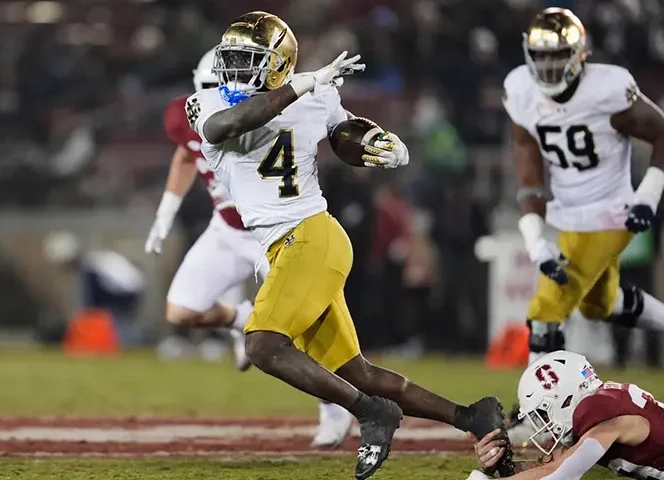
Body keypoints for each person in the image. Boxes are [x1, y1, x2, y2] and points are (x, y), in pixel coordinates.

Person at [187, 11, 512, 479]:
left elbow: (342, 132)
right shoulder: (208, 103)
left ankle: (373, 414)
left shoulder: (315, 92)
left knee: (261, 345)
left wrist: (378, 141)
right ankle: (472, 417)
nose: (235, 71)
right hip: (286, 245)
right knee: (357, 373)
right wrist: (302, 85)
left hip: (310, 236)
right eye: (232, 60)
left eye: (249, 60)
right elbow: (228, 126)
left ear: (277, 63)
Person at [146, 48, 354, 448]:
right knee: (181, 310)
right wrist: (165, 211)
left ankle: (334, 405)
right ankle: (243, 317)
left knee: (299, 335)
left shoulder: (270, 111)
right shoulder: (192, 114)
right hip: (226, 230)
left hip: (276, 233)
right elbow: (185, 154)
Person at [503, 8, 664, 372]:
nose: (548, 67)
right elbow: (528, 172)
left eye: (557, 56)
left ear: (580, 55)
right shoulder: (520, 91)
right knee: (598, 305)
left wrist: (648, 196)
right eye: (540, 56)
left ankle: (534, 408)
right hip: (568, 213)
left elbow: (661, 133)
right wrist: (534, 241)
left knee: (545, 309)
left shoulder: (607, 90)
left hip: (611, 211)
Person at [466, 350, 664, 480]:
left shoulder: (606, 418)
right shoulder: (601, 407)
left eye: (543, 413)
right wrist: (500, 464)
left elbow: (563, 475)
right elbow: (547, 467)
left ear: (565, 399)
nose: (545, 423)